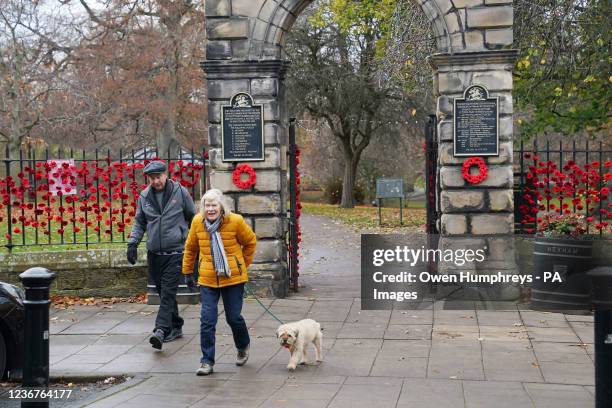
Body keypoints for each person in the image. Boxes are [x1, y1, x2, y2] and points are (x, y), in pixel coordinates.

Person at [182, 188, 256, 376]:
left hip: (233, 278)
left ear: (221, 206)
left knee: (234, 318)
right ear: (203, 207)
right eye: (207, 205)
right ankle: (207, 361)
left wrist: (241, 265)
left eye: (214, 205)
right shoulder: (198, 222)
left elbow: (250, 242)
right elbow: (190, 248)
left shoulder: (235, 221)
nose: (210, 209)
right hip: (208, 278)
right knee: (207, 320)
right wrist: (187, 272)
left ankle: (242, 345)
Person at [127, 160, 196, 350]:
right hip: (154, 254)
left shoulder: (180, 192)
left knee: (167, 293)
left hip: (176, 252)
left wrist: (193, 246)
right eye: (152, 178)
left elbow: (194, 218)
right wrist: (133, 243)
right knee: (163, 292)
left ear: (166, 175)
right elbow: (140, 222)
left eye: (158, 177)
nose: (156, 181)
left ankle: (160, 330)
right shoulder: (145, 196)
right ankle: (176, 326)